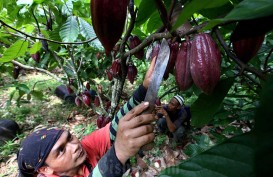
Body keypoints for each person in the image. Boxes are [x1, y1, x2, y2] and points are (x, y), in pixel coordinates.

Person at [17, 58, 157, 177]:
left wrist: (144, 89)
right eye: (61, 150)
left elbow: (115, 126)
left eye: (70, 137)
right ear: (45, 169)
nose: (74, 147)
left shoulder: (86, 147)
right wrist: (118, 153)